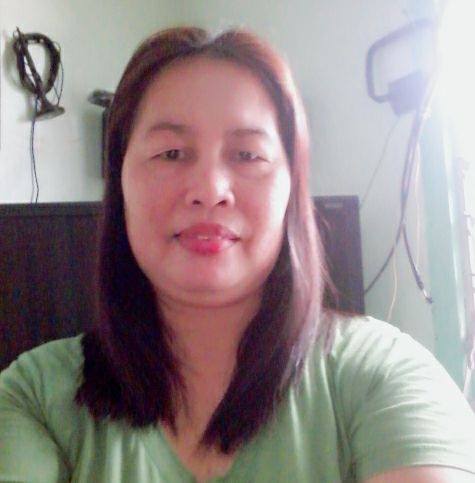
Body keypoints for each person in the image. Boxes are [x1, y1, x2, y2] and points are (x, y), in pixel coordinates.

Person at [0, 26, 474, 483]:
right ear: (119, 182)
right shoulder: (34, 396)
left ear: (292, 188)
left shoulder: (382, 376)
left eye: (247, 155)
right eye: (171, 153)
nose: (210, 190)